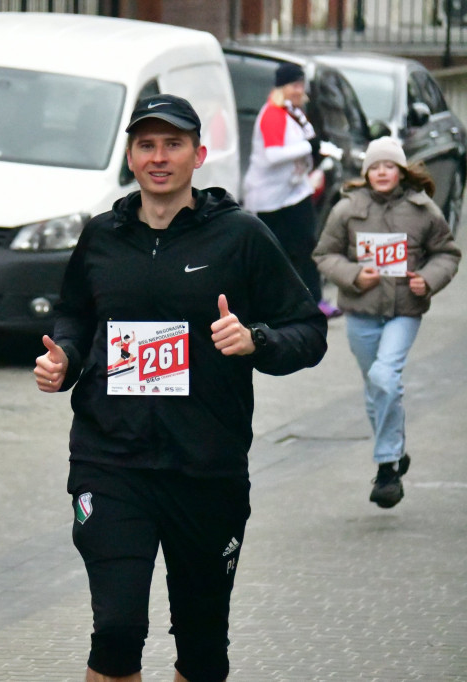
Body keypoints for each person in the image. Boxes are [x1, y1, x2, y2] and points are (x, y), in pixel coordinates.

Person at [33, 94, 327, 682]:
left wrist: (257, 341)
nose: (159, 157)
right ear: (130, 155)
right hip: (110, 461)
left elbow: (309, 329)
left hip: (205, 467)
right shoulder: (102, 236)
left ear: (199, 154)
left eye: (173, 144)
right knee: (116, 631)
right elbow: (75, 313)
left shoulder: (240, 235)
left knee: (202, 647)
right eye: (147, 145)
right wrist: (64, 355)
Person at [313, 136, 460, 509]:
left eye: (389, 166)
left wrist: (426, 280)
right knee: (375, 388)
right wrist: (352, 275)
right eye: (375, 167)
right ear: (366, 173)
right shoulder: (347, 209)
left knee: (384, 377)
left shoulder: (423, 209)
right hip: (361, 313)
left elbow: (447, 252)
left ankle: (386, 471)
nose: (382, 172)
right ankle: (396, 448)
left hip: (403, 312)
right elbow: (324, 254)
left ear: (400, 171)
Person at [242, 62, 342, 319]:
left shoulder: (293, 113)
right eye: (294, 85)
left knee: (306, 246)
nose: (300, 90)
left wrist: (316, 154)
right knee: (275, 253)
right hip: (269, 199)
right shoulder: (272, 113)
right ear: (283, 87)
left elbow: (304, 145)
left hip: (295, 192)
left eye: (301, 84)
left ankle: (314, 301)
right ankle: (271, 306)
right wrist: (311, 147)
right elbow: (274, 155)